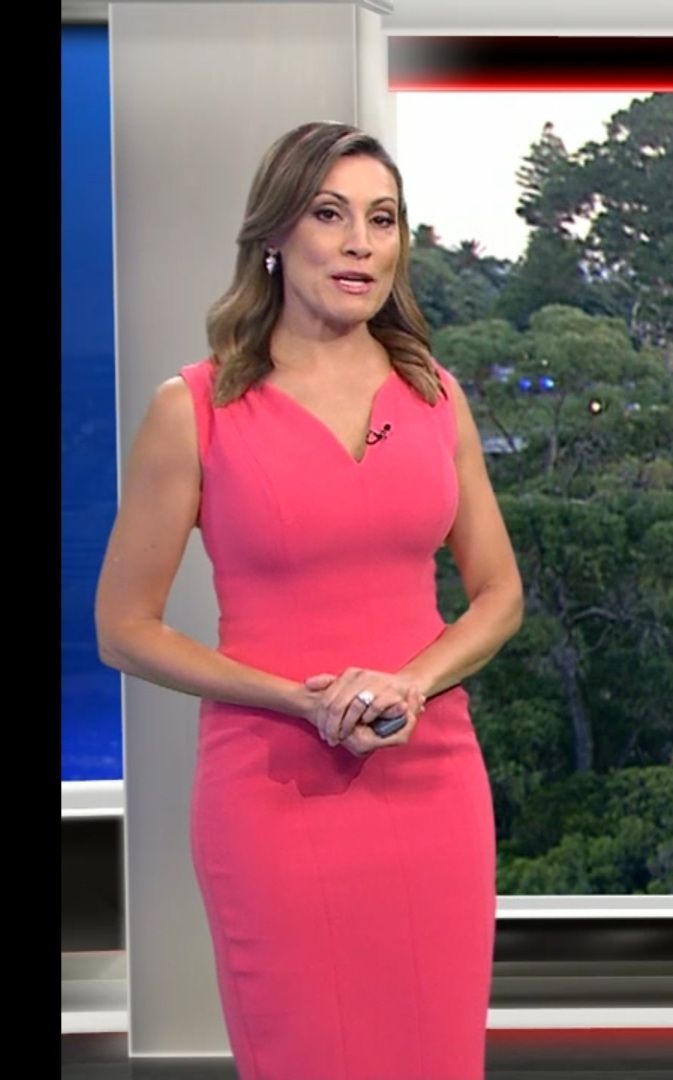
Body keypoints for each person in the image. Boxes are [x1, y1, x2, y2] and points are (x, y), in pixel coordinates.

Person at [95, 120, 524, 1080]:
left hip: (431, 780)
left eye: (382, 219)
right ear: (275, 235)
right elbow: (122, 628)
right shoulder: (194, 409)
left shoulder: (434, 395)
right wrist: (298, 699)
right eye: (330, 215)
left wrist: (411, 684)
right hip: (272, 791)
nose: (359, 243)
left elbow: (498, 594)